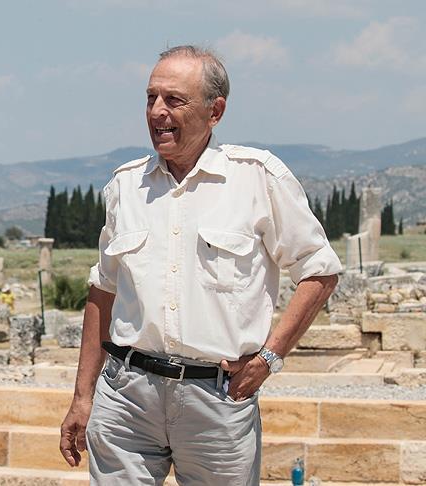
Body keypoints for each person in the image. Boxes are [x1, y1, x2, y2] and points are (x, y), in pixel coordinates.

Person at [59, 45, 341, 485]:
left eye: (173, 100)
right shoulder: (125, 186)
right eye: (150, 98)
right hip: (126, 396)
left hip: (217, 400)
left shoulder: (257, 178)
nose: (157, 111)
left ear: (216, 111)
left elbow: (320, 271)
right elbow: (103, 291)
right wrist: (82, 396)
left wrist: (270, 357)